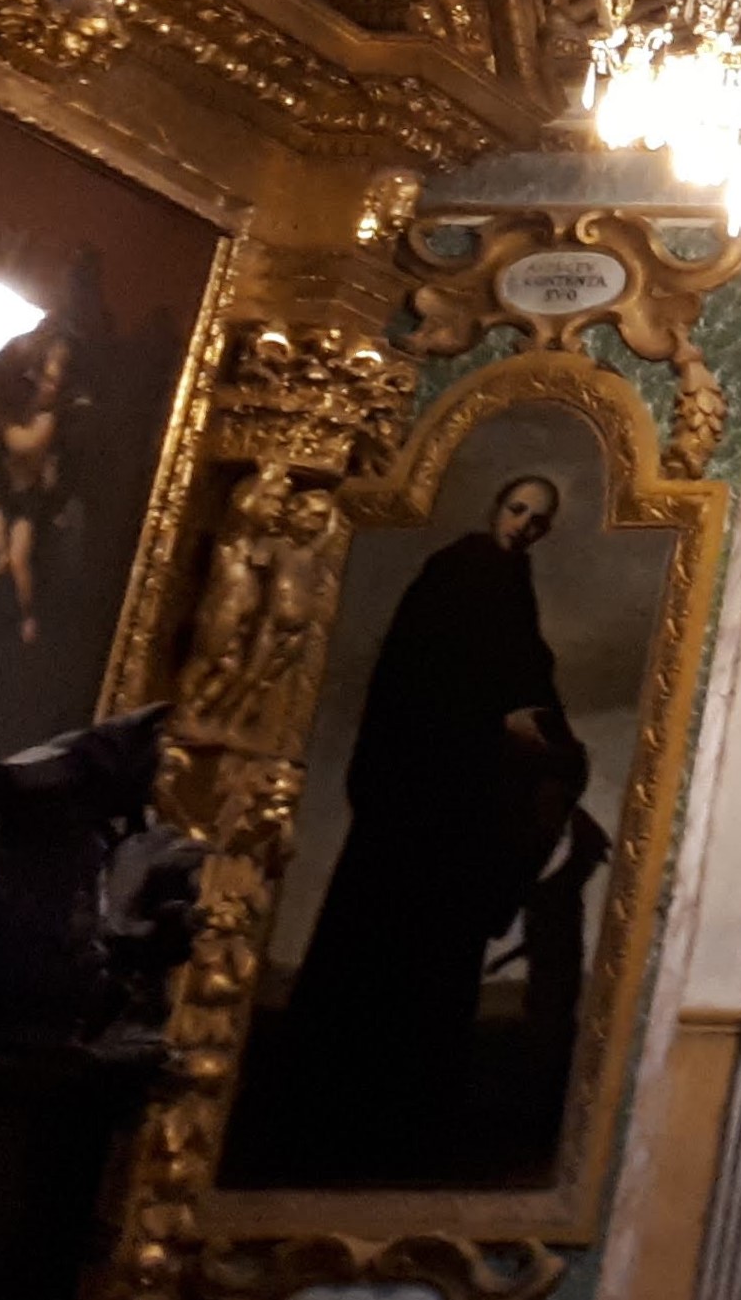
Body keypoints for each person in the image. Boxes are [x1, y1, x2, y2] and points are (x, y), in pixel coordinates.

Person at [235, 473, 596, 1185]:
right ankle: (337, 1124)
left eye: (537, 520)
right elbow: (425, 681)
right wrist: (497, 721)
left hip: (460, 812)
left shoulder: (509, 582)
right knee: (383, 956)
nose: (523, 525)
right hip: (418, 802)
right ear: (497, 506)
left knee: (434, 969)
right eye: (517, 508)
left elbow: (525, 680)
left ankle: (402, 1127)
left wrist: (532, 730)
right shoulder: (462, 570)